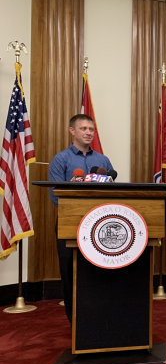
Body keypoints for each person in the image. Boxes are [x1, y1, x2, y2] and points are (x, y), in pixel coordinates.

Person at [48, 114, 115, 324]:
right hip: (71, 224)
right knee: (70, 272)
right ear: (72, 131)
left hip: (99, 225)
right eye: (84, 128)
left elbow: (112, 191)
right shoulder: (61, 159)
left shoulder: (102, 161)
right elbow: (54, 194)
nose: (88, 133)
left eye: (91, 129)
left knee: (97, 272)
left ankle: (99, 318)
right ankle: (75, 322)